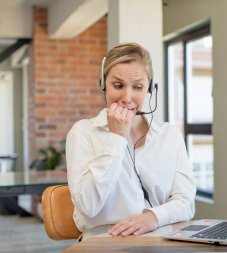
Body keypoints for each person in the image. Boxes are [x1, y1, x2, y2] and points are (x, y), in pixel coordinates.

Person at [66, 42, 196, 240]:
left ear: (149, 88)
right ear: (103, 84)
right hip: (105, 241)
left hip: (161, 238)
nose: (127, 97)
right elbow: (88, 205)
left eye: (138, 87)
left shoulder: (169, 135)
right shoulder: (83, 133)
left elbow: (186, 203)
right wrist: (116, 139)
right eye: (118, 85)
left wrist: (153, 217)